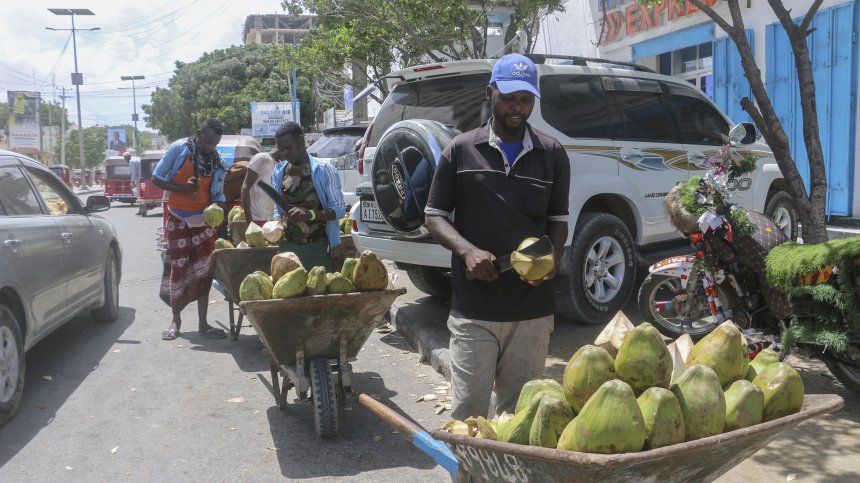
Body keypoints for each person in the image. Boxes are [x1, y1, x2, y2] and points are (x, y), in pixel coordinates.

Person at [424, 54, 571, 420]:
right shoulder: (461, 149)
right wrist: (467, 250)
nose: (517, 108)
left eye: (525, 99)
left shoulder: (552, 154)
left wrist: (553, 255)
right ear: (490, 93)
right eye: (508, 98)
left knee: (518, 415)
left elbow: (558, 220)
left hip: (532, 311)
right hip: (475, 308)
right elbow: (433, 215)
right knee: (468, 412)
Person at [152, 118, 228, 340]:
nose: (209, 147)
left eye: (214, 144)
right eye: (206, 142)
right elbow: (157, 178)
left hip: (203, 223)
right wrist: (183, 189)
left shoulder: (218, 162)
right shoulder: (178, 149)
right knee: (179, 269)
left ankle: (204, 324)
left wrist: (219, 205)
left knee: (204, 271)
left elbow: (218, 193)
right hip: (177, 218)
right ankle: (176, 321)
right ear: (198, 133)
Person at [271, 122, 346, 270]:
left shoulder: (324, 170)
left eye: (288, 148)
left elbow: (339, 210)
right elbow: (278, 209)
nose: (285, 153)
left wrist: (309, 214)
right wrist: (276, 223)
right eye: (281, 150)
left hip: (317, 248)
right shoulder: (279, 172)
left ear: (301, 141)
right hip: (287, 249)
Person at [241, 136, 284, 226]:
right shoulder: (262, 158)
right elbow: (245, 188)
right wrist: (249, 222)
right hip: (257, 220)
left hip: (273, 221)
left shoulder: (280, 166)